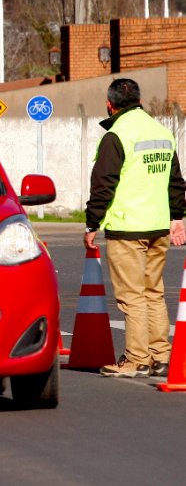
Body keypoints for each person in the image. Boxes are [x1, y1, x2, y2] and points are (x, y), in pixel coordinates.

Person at [85, 78, 186, 379]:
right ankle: (161, 356)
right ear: (140, 101)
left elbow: (103, 184)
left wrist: (92, 223)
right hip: (158, 227)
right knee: (153, 292)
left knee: (132, 296)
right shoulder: (162, 132)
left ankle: (136, 359)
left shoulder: (117, 135)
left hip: (128, 228)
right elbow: (176, 182)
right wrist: (177, 217)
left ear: (110, 104)